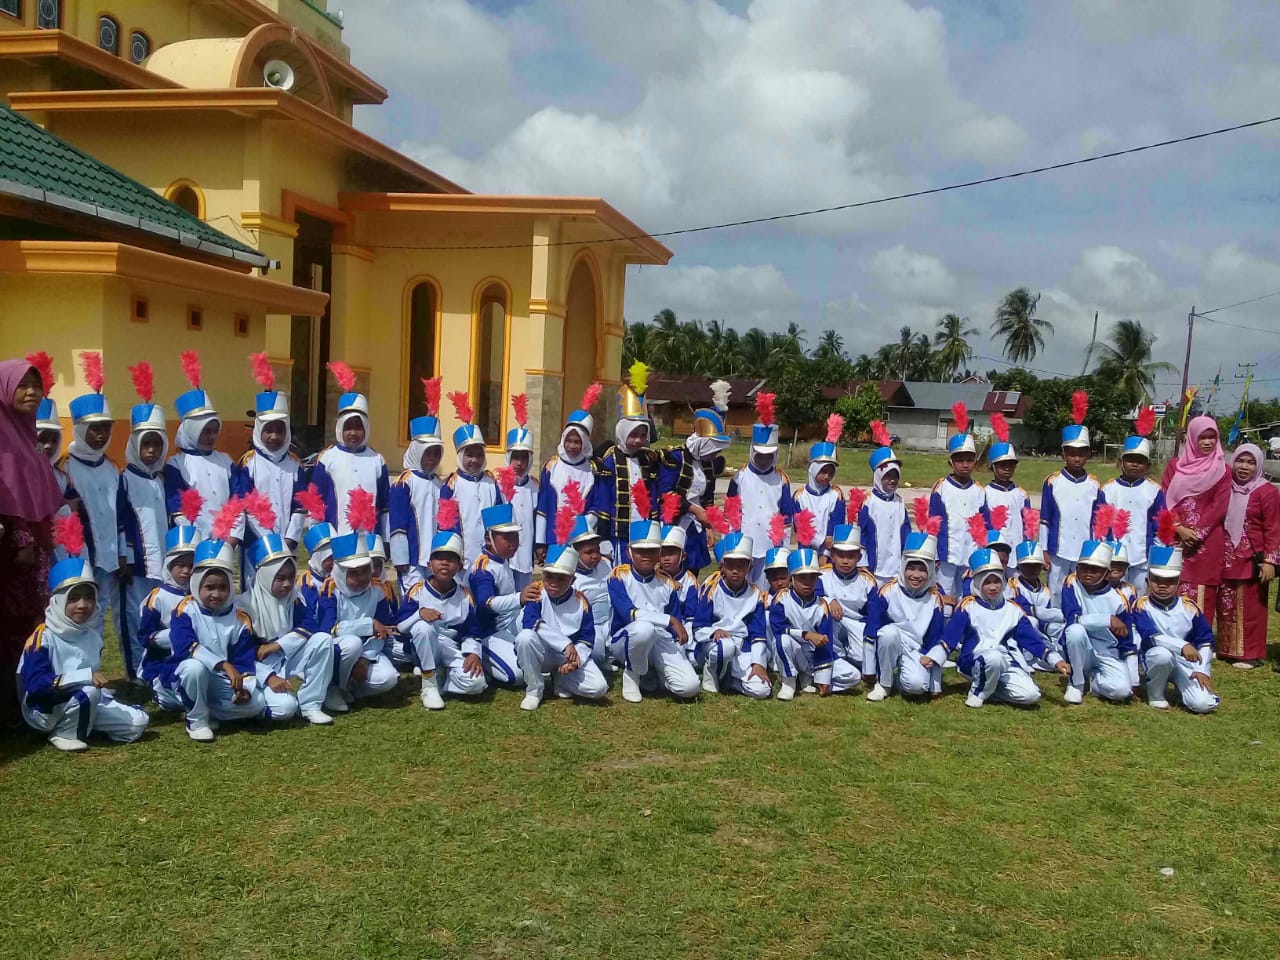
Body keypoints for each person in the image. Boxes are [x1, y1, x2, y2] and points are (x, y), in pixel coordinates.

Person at [17, 544, 148, 751]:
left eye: (89, 597)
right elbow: (35, 685)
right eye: (73, 597)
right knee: (88, 692)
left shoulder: (92, 637)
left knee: (138, 723)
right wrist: (83, 677)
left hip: (84, 698)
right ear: (59, 600)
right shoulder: (44, 636)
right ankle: (64, 732)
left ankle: (83, 721)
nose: (82, 604)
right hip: (44, 708)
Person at [0, 360, 66, 726]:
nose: (31, 392)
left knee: (34, 628)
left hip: (37, 557)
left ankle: (33, 697)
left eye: (35, 385)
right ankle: (13, 707)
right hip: (12, 558)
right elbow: (6, 497)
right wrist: (23, 539)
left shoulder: (28, 437)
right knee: (12, 629)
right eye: (21, 385)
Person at [239, 535, 351, 725]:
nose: (287, 584)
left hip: (285, 655)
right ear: (265, 576)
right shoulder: (243, 606)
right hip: (256, 667)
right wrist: (269, 677)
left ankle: (310, 705)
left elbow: (309, 625)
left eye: (291, 578)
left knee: (323, 639)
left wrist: (277, 645)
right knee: (286, 708)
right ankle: (255, 706)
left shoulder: (294, 598)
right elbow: (241, 653)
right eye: (279, 578)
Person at [936, 548, 1069, 708]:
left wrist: (1056, 660)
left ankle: (989, 689)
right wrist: (934, 659)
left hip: (1005, 661)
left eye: (997, 581)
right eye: (987, 582)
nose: (993, 587)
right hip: (974, 661)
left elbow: (1032, 640)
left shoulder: (1013, 608)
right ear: (977, 583)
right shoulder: (967, 606)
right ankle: (979, 692)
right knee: (993, 658)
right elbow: (949, 639)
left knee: (1031, 696)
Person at [165, 538, 267, 741]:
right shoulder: (184, 610)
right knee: (194, 668)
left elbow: (243, 659)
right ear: (196, 584)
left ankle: (206, 708)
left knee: (257, 703)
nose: (216, 594)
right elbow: (185, 646)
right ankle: (196, 720)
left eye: (223, 587)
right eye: (209, 587)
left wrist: (244, 688)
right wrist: (223, 664)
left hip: (220, 680)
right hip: (187, 673)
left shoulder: (239, 616)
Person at [62, 358, 126, 655]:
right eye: (94, 428)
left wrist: (123, 554)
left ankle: (98, 670)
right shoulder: (66, 469)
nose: (100, 435)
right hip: (82, 557)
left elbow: (120, 515)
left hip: (111, 558)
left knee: (104, 616)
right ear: (78, 429)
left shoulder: (112, 469)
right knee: (82, 615)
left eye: (105, 428)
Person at [606, 518, 699, 702]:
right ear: (629, 552)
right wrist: (669, 620)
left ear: (658, 552)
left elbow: (676, 622)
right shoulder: (618, 575)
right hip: (625, 639)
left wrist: (679, 656)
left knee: (690, 687)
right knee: (644, 629)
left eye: (652, 550)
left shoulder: (667, 582)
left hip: (659, 638)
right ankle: (632, 675)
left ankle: (654, 673)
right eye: (640, 550)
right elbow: (629, 613)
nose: (646, 555)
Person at [394, 530, 486, 709]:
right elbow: (402, 627)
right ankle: (429, 684)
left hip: (452, 648)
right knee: (423, 627)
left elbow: (472, 630)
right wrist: (419, 614)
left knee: (476, 684)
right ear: (429, 565)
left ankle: (443, 676)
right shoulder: (417, 591)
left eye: (451, 559)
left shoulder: (465, 595)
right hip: (424, 646)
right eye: (439, 558)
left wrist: (473, 653)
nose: (444, 563)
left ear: (459, 566)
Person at [116, 378, 169, 680]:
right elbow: (121, 519)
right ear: (135, 445)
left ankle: (154, 667)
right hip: (135, 565)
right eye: (145, 444)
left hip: (161, 561)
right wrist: (124, 557)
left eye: (156, 444)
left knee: (157, 617)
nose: (151, 450)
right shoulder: (125, 478)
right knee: (133, 616)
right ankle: (133, 670)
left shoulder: (160, 479)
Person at [515, 544, 609, 710]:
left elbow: (587, 638)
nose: (554, 583)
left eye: (561, 578)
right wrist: (564, 643)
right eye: (550, 577)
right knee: (525, 637)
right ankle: (534, 690)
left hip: (567, 657)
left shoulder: (581, 601)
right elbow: (531, 622)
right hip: (542, 652)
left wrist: (575, 662)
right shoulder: (537, 592)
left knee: (598, 688)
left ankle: (561, 678)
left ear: (572, 580)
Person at [233, 366, 305, 580]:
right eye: (268, 430)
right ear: (258, 430)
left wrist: (291, 538)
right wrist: (267, 539)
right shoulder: (248, 463)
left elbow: (301, 507)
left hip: (287, 544)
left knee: (283, 591)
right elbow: (245, 504)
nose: (274, 436)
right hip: (256, 544)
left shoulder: (295, 464)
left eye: (280, 430)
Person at [313, 532, 401, 704]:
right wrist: (368, 624)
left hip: (367, 650)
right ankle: (332, 687)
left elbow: (381, 632)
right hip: (337, 650)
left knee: (388, 678)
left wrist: (366, 658)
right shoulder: (330, 591)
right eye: (354, 573)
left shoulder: (377, 590)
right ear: (341, 573)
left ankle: (352, 689)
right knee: (352, 643)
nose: (362, 578)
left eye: (365, 570)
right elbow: (329, 629)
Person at [863, 530, 947, 702]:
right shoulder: (888, 591)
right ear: (903, 566)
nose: (915, 575)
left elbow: (936, 639)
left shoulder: (935, 598)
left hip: (916, 649)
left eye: (922, 570)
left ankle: (903, 680)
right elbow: (872, 628)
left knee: (916, 687)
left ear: (931, 571)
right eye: (911, 568)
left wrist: (935, 684)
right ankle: (884, 683)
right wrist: (868, 670)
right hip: (892, 640)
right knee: (887, 634)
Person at [1133, 545, 1220, 712]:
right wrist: (1182, 645)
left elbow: (1206, 641)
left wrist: (1203, 670)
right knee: (1162, 655)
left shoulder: (1190, 607)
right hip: (1156, 657)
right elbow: (1150, 636)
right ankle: (1156, 693)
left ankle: (1184, 691)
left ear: (1179, 583)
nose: (1163, 586)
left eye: (1170, 581)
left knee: (1203, 704)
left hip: (1186, 661)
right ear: (1147, 581)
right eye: (1156, 580)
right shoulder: (1141, 606)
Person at [1217, 442, 1280, 667]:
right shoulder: (1226, 487)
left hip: (1253, 559)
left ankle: (1250, 654)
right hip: (1226, 556)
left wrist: (1270, 561)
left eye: (1251, 462)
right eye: (1240, 461)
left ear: (1259, 465)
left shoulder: (1267, 491)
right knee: (1227, 603)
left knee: (1252, 607)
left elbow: (1274, 528)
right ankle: (1228, 649)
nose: (1244, 467)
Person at [1160, 416, 1230, 616]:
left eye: (1212, 437)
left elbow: (1219, 506)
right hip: (1175, 540)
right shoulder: (1175, 466)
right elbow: (1164, 498)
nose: (1207, 442)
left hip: (1206, 544)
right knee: (1169, 590)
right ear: (1192, 438)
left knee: (1203, 597)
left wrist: (1196, 534)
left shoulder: (1223, 471)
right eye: (1202, 437)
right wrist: (1179, 528)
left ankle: (1201, 645)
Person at [310, 369, 390, 538]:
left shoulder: (377, 460)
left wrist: (386, 541)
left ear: (366, 428)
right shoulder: (327, 458)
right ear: (340, 427)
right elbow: (316, 502)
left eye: (358, 427)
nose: (353, 433)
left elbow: (384, 505)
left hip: (370, 540)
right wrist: (322, 545)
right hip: (336, 538)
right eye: (348, 427)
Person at [727, 392, 795, 589]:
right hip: (744, 540)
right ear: (752, 452)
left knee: (766, 588)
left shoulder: (781, 479)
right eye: (760, 456)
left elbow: (786, 515)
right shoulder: (739, 477)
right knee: (742, 586)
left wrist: (782, 546)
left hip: (770, 544)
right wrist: (732, 538)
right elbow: (731, 512)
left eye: (769, 456)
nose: (764, 460)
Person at [1040, 396, 1103, 605]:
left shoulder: (1095, 484)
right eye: (1071, 453)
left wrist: (1098, 547)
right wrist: (1044, 549)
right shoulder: (1052, 482)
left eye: (1081, 453)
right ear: (1063, 454)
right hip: (1058, 548)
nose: (1076, 458)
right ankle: (1055, 631)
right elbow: (1045, 518)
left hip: (1085, 549)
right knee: (1056, 590)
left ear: (1088, 455)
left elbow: (1100, 520)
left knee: (1082, 591)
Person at [165, 354, 236, 540]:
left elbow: (237, 499)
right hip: (193, 539)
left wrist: (231, 535)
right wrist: (194, 536)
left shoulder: (225, 461)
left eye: (214, 431)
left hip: (225, 538)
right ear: (190, 430)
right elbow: (176, 504)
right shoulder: (177, 463)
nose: (211, 436)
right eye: (205, 431)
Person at [592, 368, 660, 562]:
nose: (638, 441)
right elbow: (604, 498)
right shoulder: (609, 460)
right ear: (622, 433)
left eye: (642, 435)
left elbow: (653, 495)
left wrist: (656, 524)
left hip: (644, 532)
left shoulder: (648, 460)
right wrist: (604, 537)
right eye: (633, 435)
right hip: (618, 535)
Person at [692, 531, 771, 698]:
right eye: (730, 565)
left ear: (750, 567)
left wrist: (758, 664)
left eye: (741, 565)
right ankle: (712, 672)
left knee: (762, 690)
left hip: (743, 648)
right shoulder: (711, 590)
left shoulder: (755, 594)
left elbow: (758, 634)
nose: (735, 570)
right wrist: (714, 632)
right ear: (722, 566)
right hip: (713, 644)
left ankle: (731, 681)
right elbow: (698, 626)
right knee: (725, 647)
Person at [772, 547, 858, 699]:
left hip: (815, 657)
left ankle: (811, 680)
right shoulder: (781, 598)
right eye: (802, 578)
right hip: (795, 650)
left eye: (812, 578)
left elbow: (825, 642)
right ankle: (789, 681)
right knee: (782, 640)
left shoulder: (823, 605)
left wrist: (823, 677)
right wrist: (806, 635)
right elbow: (778, 628)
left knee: (853, 676)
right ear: (792, 578)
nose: (807, 583)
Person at [467, 503, 538, 687]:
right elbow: (485, 604)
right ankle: (481, 656)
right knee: (517, 675)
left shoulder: (502, 560)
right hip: (488, 632)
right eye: (506, 537)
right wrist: (519, 598)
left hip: (509, 627)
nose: (513, 542)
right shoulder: (482, 569)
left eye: (515, 536)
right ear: (488, 539)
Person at [657, 398, 731, 573]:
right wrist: (695, 510)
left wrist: (709, 527)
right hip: (673, 523)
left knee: (692, 573)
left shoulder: (709, 464)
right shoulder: (675, 458)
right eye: (714, 450)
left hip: (695, 528)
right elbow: (666, 494)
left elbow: (707, 498)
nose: (716, 455)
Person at [1060, 539, 1137, 704]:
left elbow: (1127, 642)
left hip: (1106, 651)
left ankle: (1093, 682)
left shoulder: (1119, 600)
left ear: (1107, 572)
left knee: (1122, 690)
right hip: (1080, 647)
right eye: (1083, 568)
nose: (1088, 573)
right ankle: (1076, 683)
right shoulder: (1071, 583)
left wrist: (1134, 681)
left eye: (1095, 569)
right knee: (1075, 631)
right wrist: (1107, 620)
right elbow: (1073, 618)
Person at [1101, 409, 1164, 593]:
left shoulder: (1154, 490)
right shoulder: (1108, 489)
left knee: (1138, 597)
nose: (1135, 464)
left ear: (1148, 465)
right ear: (1121, 462)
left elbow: (1160, 526)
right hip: (1113, 557)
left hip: (1142, 556)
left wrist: (1156, 556)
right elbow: (1101, 526)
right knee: (1113, 597)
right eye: (1130, 460)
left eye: (1140, 461)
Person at [390, 387, 446, 591]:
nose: (431, 458)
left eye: (435, 453)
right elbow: (397, 523)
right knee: (413, 600)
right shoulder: (403, 482)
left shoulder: (440, 484)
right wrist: (400, 557)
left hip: (436, 558)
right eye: (427, 453)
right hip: (412, 558)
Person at [138, 527, 199, 712]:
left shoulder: (202, 594)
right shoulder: (157, 597)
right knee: (176, 703)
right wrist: (177, 636)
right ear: (169, 565)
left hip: (197, 657)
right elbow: (145, 637)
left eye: (191, 565)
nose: (186, 571)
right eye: (180, 565)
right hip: (162, 661)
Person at [928, 405, 986, 598]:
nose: (965, 464)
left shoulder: (979, 490)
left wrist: (981, 551)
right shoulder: (941, 487)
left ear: (975, 462)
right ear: (951, 462)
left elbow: (983, 522)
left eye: (969, 459)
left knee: (968, 595)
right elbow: (933, 523)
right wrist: (934, 554)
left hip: (971, 553)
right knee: (944, 593)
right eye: (959, 460)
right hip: (946, 553)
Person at [440, 390, 502, 567]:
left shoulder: (491, 482)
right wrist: (453, 554)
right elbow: (446, 524)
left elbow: (498, 517)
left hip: (490, 556)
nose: (474, 460)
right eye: (469, 455)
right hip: (462, 557)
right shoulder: (451, 484)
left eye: (478, 455)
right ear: (460, 456)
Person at [536, 383, 600, 552]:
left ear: (585, 443)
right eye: (569, 441)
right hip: (553, 537)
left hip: (582, 538)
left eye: (577, 441)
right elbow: (543, 507)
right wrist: (541, 542)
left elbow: (595, 505)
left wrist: (584, 525)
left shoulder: (592, 470)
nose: (572, 446)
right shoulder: (551, 467)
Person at [820, 524, 877, 685]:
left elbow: (873, 614)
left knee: (860, 657)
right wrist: (829, 600)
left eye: (851, 556)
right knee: (825, 614)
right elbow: (813, 595)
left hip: (858, 624)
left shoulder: (867, 580)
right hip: (834, 623)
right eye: (840, 555)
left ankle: (850, 660)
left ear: (859, 557)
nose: (845, 561)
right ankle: (834, 656)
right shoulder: (822, 575)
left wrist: (869, 641)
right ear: (832, 555)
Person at [858, 424, 910, 587]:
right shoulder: (868, 502)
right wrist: (863, 563)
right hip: (874, 568)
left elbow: (906, 532)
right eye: (888, 476)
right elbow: (861, 534)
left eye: (896, 476)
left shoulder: (900, 502)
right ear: (878, 476)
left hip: (896, 569)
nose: (892, 480)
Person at [792, 419, 846, 556]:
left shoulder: (836, 495)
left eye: (831, 472)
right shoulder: (800, 496)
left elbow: (837, 522)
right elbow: (801, 527)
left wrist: (826, 552)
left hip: (829, 553)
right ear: (813, 469)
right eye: (823, 471)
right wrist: (821, 541)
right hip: (806, 550)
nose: (827, 476)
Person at [1008, 533, 1065, 660]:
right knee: (1031, 622)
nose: (1032, 569)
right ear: (1019, 567)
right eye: (1027, 566)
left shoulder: (1046, 590)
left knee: (1058, 627)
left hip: (1042, 629)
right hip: (1019, 630)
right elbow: (1020, 608)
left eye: (1036, 565)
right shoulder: (1012, 585)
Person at [568, 515, 613, 672]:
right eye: (589, 552)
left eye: (597, 550)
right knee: (597, 651)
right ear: (574, 553)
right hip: (589, 626)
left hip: (611, 621)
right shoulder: (570, 577)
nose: (595, 556)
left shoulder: (606, 565)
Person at [504, 397, 539, 590]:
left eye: (523, 458)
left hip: (525, 550)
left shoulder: (534, 485)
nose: (519, 463)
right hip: (504, 552)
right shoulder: (497, 483)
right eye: (515, 457)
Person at [984, 417, 1030, 552]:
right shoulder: (984, 493)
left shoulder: (1021, 493)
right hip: (994, 550)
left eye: (1011, 465)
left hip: (1017, 550)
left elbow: (1028, 524)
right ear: (993, 467)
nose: (1007, 468)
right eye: (1002, 465)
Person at [658, 524, 699, 664]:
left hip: (683, 626)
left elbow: (691, 615)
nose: (666, 558)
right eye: (662, 553)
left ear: (683, 556)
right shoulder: (653, 576)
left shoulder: (690, 580)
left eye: (672, 553)